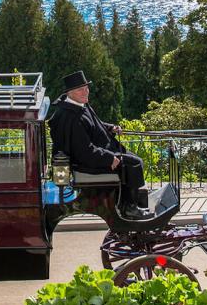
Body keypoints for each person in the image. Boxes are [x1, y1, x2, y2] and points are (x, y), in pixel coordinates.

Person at [48, 70, 151, 219]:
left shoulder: (79, 104)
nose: (85, 92)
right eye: (80, 90)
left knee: (133, 158)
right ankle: (130, 208)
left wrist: (110, 127)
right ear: (69, 93)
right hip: (86, 162)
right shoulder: (71, 116)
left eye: (86, 88)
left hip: (100, 150)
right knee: (134, 163)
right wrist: (108, 158)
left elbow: (94, 124)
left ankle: (132, 201)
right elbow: (84, 151)